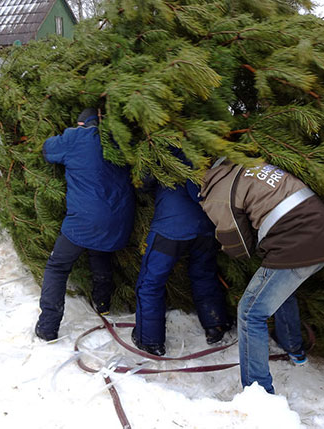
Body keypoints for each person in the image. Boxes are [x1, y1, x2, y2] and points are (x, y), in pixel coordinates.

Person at [198, 157, 324, 394]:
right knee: (280, 289)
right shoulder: (247, 162)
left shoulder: (218, 192)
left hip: (298, 240)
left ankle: (258, 391)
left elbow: (239, 247)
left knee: (250, 312)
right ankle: (293, 348)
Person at [35, 108, 136, 341]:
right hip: (120, 221)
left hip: (85, 220)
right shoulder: (117, 140)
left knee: (57, 267)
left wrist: (69, 133)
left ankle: (48, 326)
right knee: (100, 251)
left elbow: (48, 149)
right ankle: (103, 305)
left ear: (82, 124)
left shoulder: (76, 138)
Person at [131, 151, 231, 357]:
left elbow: (142, 183)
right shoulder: (205, 154)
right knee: (204, 274)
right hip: (205, 227)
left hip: (170, 230)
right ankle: (216, 324)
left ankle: (150, 341)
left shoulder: (164, 152)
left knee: (150, 283)